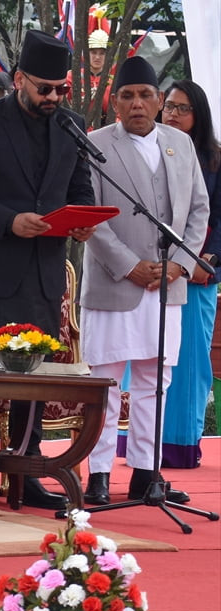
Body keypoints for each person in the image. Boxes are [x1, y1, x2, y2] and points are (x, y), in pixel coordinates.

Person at [0, 29, 96, 510]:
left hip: (42, 273)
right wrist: (10, 221)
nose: (53, 98)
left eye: (61, 89)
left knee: (34, 375)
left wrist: (82, 222)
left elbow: (80, 188)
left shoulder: (71, 126)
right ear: (18, 80)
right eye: (44, 88)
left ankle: (24, 467)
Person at [80, 58, 209, 505]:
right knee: (106, 384)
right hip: (114, 284)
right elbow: (91, 217)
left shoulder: (180, 144)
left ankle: (146, 472)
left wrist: (178, 264)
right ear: (115, 103)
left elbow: (198, 210)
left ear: (158, 101)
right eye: (128, 96)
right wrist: (130, 266)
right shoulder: (96, 144)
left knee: (156, 382)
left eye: (145, 95)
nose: (137, 104)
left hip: (167, 286)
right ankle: (98, 474)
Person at [158, 80, 221, 469]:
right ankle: (140, 443)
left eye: (182, 108)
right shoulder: (148, 150)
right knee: (149, 360)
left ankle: (180, 443)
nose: (173, 114)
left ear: (199, 114)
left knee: (190, 361)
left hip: (196, 275)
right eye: (169, 106)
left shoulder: (214, 160)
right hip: (152, 274)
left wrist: (208, 258)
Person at [70, 3, 113, 128]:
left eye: (102, 53)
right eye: (93, 52)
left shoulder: (113, 81)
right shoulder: (71, 77)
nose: (97, 57)